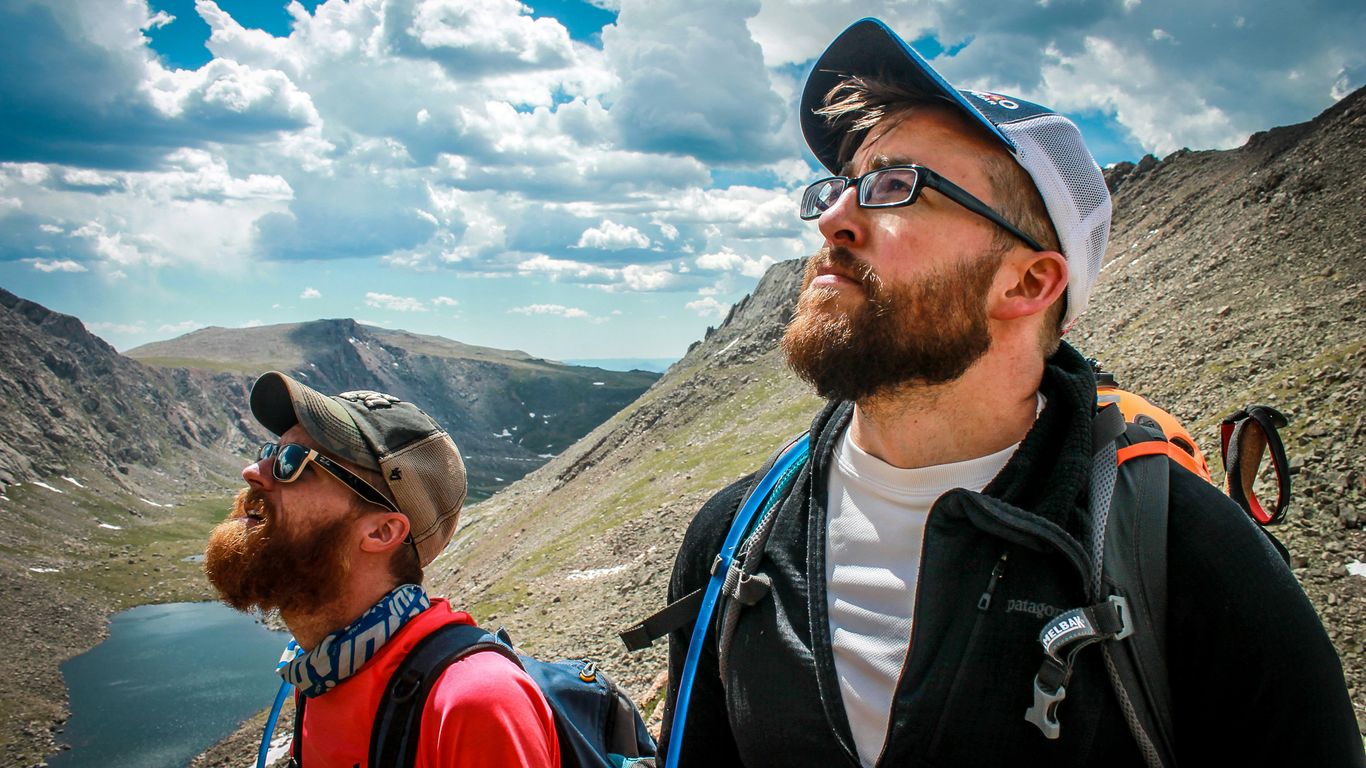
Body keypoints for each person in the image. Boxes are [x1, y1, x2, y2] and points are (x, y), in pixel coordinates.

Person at [659, 17, 1362, 768]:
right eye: (839, 187)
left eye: (897, 187)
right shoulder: (736, 538)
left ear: (1028, 282)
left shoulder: (1191, 560)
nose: (834, 217)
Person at [205, 372, 559, 767]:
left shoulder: (473, 701)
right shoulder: (321, 671)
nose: (253, 472)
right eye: (270, 451)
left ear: (381, 531)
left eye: (292, 463)